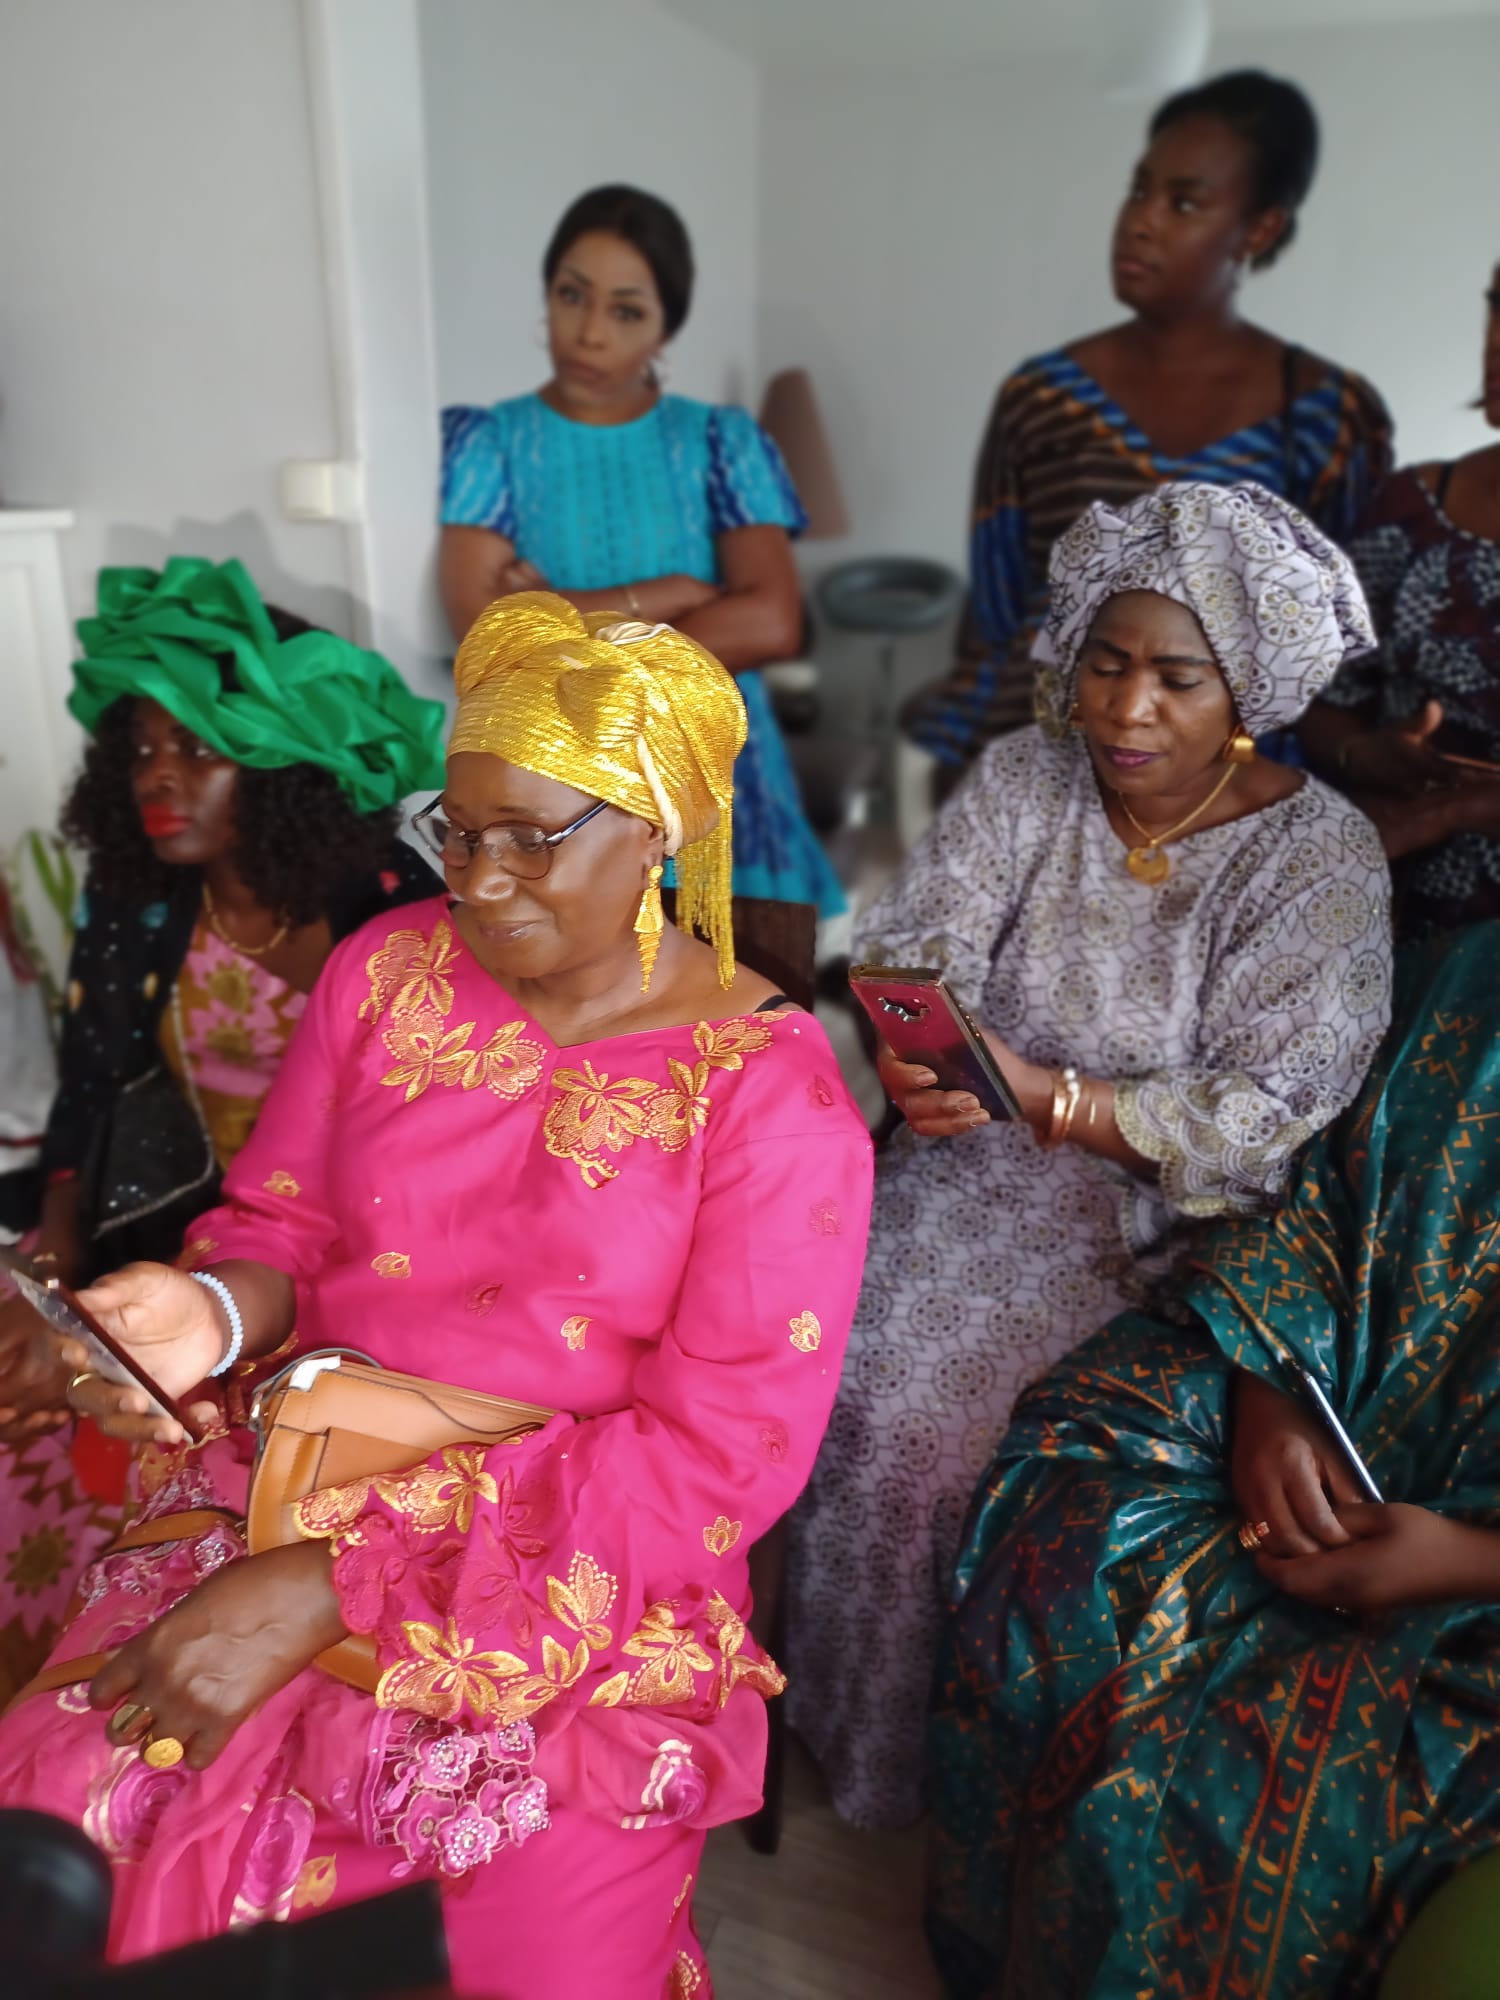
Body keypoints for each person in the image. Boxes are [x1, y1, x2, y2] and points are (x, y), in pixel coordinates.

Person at [0, 594, 873, 1998]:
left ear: (658, 827)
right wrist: (207, 1313)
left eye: (532, 837)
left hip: (584, 1573)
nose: (479, 880)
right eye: (458, 834)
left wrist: (330, 1588)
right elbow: (279, 1226)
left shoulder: (767, 1096)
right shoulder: (384, 972)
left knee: (495, 1950)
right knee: (68, 1827)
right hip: (289, 1479)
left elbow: (715, 1459)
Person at [785, 481, 1393, 1829]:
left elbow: (1267, 1117)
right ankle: (839, 1724)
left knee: (957, 1438)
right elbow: (916, 948)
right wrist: (914, 1051)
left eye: (1178, 678)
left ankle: (970, 1792)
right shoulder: (1026, 778)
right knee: (818, 1360)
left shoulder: (1320, 861)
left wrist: (1050, 1098)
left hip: (1158, 1223)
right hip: (963, 1172)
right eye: (1107, 662)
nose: (1126, 707)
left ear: (1250, 688)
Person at [927, 921, 1500, 1999]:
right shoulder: (1472, 979)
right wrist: (1268, 1390)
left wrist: (1462, 1561)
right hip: (1317, 1390)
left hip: (1471, 1595)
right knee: (1067, 1547)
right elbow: (1319, 1193)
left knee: (1285, 1794)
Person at [0, 556, 445, 1703]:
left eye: (199, 747)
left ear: (281, 754)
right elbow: (90, 1096)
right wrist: (52, 1281)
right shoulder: (142, 897)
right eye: (143, 748)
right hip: (160, 1250)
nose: (160, 775)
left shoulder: (395, 913)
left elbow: (426, 1171)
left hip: (331, 1279)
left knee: (132, 1493)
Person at [904, 68, 1392, 779]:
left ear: (1259, 228)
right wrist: (963, 774)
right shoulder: (1043, 399)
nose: (1141, 220)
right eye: (1139, 190)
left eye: (1184, 203)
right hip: (1043, 779)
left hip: (1231, 797)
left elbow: (1345, 654)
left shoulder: (1329, 416)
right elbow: (995, 620)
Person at [438, 183, 845, 919]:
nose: (591, 333)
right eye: (572, 296)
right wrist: (667, 594)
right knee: (587, 979)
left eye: (626, 311)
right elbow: (486, 639)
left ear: (665, 331)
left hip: (717, 772)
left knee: (743, 979)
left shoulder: (721, 441)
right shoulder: (488, 441)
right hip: (560, 788)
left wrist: (558, 620)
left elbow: (772, 622)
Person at [1301, 262, 1500, 939]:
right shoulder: (1412, 509)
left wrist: (1455, 810)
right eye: (1499, 306)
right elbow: (1325, 702)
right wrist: (1365, 753)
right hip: (1391, 926)